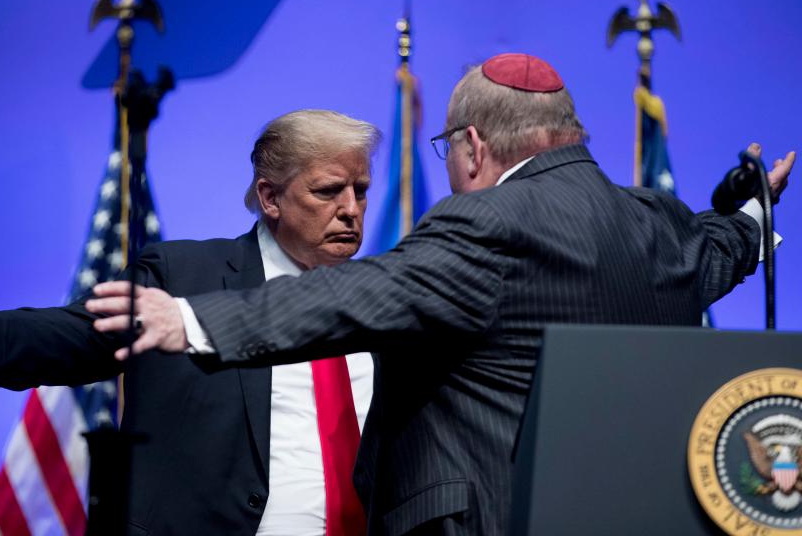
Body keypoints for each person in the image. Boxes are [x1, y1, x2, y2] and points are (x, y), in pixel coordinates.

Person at [81, 54, 795, 535]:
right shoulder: (657, 221)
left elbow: (362, 293)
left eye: (447, 150)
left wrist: (194, 318)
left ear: (474, 147)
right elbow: (721, 252)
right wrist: (755, 215)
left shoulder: (483, 220)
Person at [0, 109, 382, 536]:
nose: (351, 210)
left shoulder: (386, 300)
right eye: (328, 191)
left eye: (360, 190)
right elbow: (74, 338)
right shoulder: (185, 275)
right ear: (270, 198)